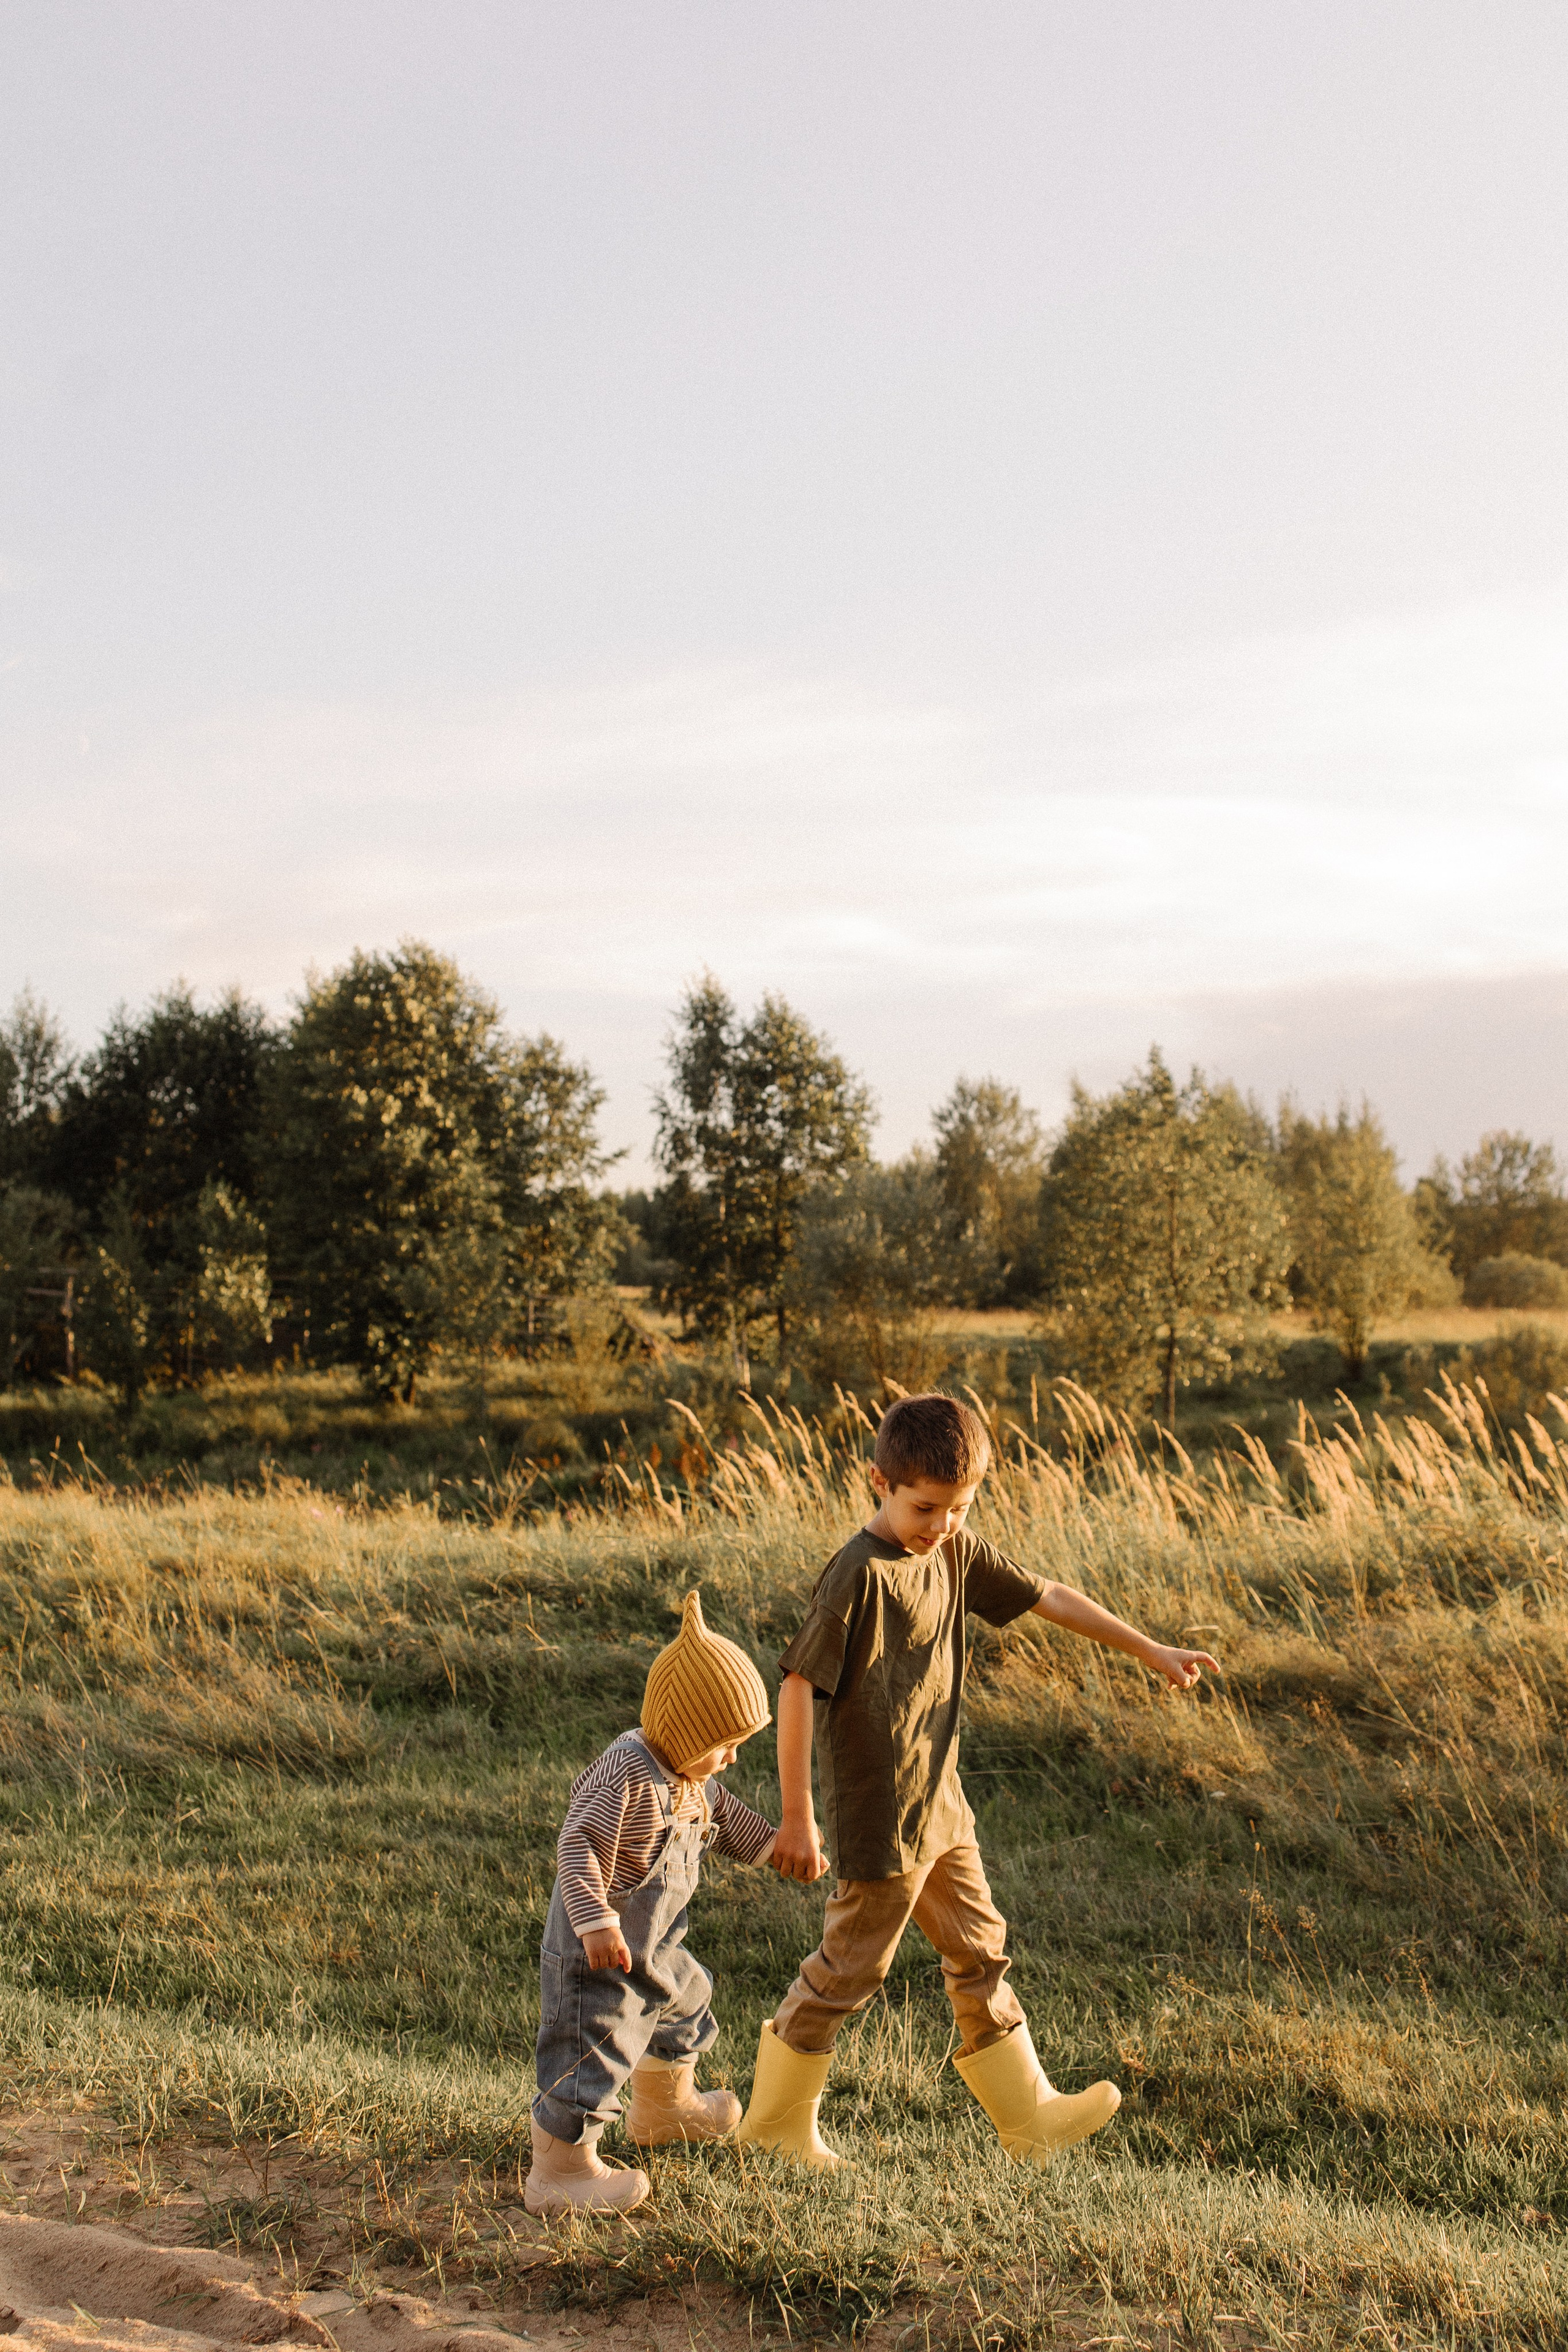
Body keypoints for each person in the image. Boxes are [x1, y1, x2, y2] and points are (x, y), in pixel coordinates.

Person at [734, 1391, 1218, 2171]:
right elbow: (795, 1685)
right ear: (878, 1484)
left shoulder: (954, 1550)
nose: (942, 1524)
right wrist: (796, 1818)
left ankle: (1029, 2118)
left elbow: (1046, 1594)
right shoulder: (857, 1575)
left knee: (980, 1950)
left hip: (941, 1804)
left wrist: (1150, 1648)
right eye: (925, 1508)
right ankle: (773, 2129)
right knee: (853, 1967)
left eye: (959, 1508)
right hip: (881, 1813)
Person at [527, 1589, 779, 2216]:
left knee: (686, 2005)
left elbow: (727, 1817)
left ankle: (664, 2111)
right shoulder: (627, 1777)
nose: (731, 1758)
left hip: (656, 1945)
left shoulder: (692, 1779)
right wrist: (595, 1922)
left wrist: (774, 1846)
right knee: (590, 2050)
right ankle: (559, 2172)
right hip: (602, 1952)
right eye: (723, 1743)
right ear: (686, 1728)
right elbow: (577, 1844)